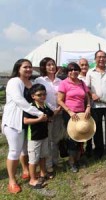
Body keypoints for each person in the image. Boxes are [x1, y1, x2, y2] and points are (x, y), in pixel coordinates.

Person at [1, 59, 46, 193]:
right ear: (18, 68)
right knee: (14, 150)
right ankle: (12, 181)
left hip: (28, 121)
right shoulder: (14, 82)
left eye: (30, 67)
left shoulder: (32, 83)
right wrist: (39, 113)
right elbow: (20, 101)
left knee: (24, 149)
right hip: (14, 121)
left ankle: (26, 170)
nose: (28, 69)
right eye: (25, 67)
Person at [57, 62, 91, 172]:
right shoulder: (64, 83)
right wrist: (69, 111)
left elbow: (87, 97)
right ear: (67, 72)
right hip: (69, 114)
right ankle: (72, 162)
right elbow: (60, 100)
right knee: (71, 138)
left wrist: (88, 107)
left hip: (81, 113)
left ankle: (78, 159)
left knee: (82, 136)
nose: (73, 72)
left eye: (76, 70)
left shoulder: (81, 83)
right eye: (71, 70)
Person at [35, 57, 64, 178]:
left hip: (59, 113)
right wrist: (49, 112)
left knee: (56, 139)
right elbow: (37, 97)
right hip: (47, 115)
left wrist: (59, 109)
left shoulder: (60, 81)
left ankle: (55, 161)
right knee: (47, 140)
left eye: (53, 65)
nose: (51, 67)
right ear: (44, 67)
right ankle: (48, 166)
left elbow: (63, 96)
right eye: (48, 65)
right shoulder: (39, 80)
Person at [86, 50, 106, 158]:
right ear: (95, 59)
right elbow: (87, 88)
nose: (101, 59)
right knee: (97, 128)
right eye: (99, 57)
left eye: (103, 57)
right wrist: (92, 95)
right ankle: (99, 149)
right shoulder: (90, 72)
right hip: (95, 105)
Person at [24, 84, 54, 189]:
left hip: (44, 136)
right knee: (33, 159)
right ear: (33, 96)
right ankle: (32, 179)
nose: (42, 96)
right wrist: (39, 120)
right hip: (34, 137)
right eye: (39, 94)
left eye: (44, 94)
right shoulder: (31, 107)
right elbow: (26, 121)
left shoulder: (45, 105)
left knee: (43, 156)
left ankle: (42, 173)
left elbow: (50, 114)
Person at [78, 58, 93, 156]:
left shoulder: (91, 75)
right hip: (79, 106)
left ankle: (89, 147)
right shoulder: (76, 77)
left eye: (86, 65)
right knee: (79, 127)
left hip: (90, 105)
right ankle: (80, 149)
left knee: (89, 127)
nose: (84, 67)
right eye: (82, 65)